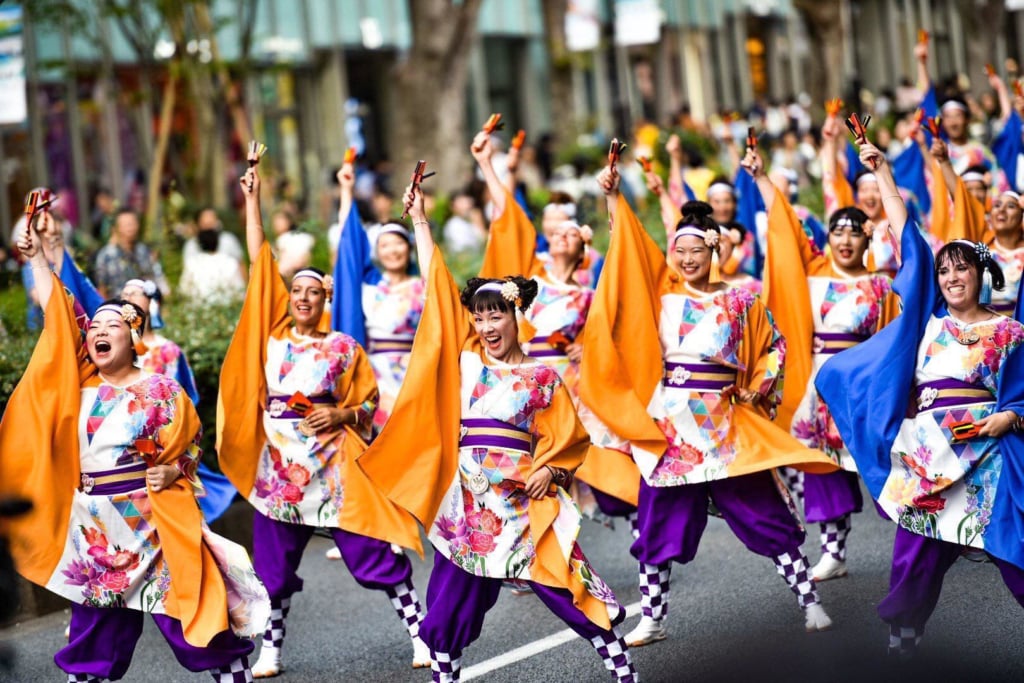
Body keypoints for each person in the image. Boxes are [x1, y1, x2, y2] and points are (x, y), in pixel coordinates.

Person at [359, 182, 639, 683]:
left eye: (498, 315)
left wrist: (551, 469)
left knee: (564, 587)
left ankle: (621, 667)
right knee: (446, 613)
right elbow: (437, 288)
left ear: (516, 317)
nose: (488, 325)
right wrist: (420, 221)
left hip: (520, 500)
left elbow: (569, 439)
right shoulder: (464, 360)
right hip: (466, 503)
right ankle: (446, 677)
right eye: (480, 316)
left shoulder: (541, 378)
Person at [1, 211, 269, 683]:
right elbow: (58, 315)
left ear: (134, 338)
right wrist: (38, 256)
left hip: (153, 526)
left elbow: (190, 448)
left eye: (113, 326)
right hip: (95, 533)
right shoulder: (76, 386)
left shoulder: (162, 391)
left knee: (196, 630)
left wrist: (176, 470)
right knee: (92, 643)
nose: (100, 332)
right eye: (94, 327)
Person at [584, 164, 839, 648]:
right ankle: (653, 618)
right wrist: (615, 200)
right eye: (677, 250)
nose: (684, 258)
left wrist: (757, 387)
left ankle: (810, 601)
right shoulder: (661, 297)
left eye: (694, 250)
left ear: (714, 250)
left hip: (724, 424)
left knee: (765, 517)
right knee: (657, 528)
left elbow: (774, 349)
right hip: (671, 427)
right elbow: (627, 259)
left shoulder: (742, 301)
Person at [217, 165, 428, 677]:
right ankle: (271, 650)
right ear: (288, 298)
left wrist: (342, 412)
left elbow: (368, 404)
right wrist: (253, 200)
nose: (304, 297)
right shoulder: (269, 337)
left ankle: (422, 636)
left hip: (334, 464)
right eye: (297, 290)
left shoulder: (344, 347)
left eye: (314, 291)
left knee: (372, 556)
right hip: (279, 468)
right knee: (272, 570)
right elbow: (258, 257)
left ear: (326, 299)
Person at [817, 139, 1024, 658]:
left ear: (982, 274)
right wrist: (883, 172)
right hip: (931, 451)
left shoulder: (1011, 333)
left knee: (1014, 548)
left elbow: (1023, 396)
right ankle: (902, 641)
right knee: (915, 557)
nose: (952, 277)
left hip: (988, 453)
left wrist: (1009, 417)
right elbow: (908, 237)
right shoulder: (929, 321)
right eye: (945, 270)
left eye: (963, 269)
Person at [474, 129, 641, 530]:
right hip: (523, 373)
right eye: (556, 232)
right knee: (522, 462)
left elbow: (623, 257)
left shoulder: (587, 295)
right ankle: (523, 548)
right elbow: (509, 222)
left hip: (570, 382)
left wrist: (611, 197)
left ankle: (642, 527)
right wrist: (487, 166)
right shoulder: (528, 280)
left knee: (596, 453)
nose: (563, 234)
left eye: (572, 231)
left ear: (584, 251)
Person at [745, 145, 897, 581]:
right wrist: (762, 179)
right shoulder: (812, 274)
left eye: (854, 233)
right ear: (827, 238)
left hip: (863, 384)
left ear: (868, 239)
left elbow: (892, 343)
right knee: (822, 467)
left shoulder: (883, 287)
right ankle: (834, 550)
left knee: (886, 462)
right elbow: (786, 228)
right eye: (837, 233)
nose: (845, 240)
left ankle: (927, 535)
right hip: (818, 382)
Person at [331, 156, 425, 437]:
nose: (392, 250)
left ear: (408, 249)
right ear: (377, 252)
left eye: (398, 244)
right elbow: (349, 243)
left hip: (414, 374)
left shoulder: (423, 286)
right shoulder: (369, 285)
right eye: (384, 245)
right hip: (374, 376)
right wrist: (347, 192)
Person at [91, 208, 166, 299]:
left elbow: (157, 278)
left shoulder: (145, 251)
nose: (130, 227)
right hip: (118, 308)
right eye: (126, 224)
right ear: (116, 228)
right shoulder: (106, 255)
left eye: (132, 223)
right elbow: (101, 289)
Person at [179, 209, 247, 304]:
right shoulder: (191, 246)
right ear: (199, 224)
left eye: (212, 223)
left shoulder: (229, 241)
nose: (209, 227)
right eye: (206, 224)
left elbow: (241, 266)